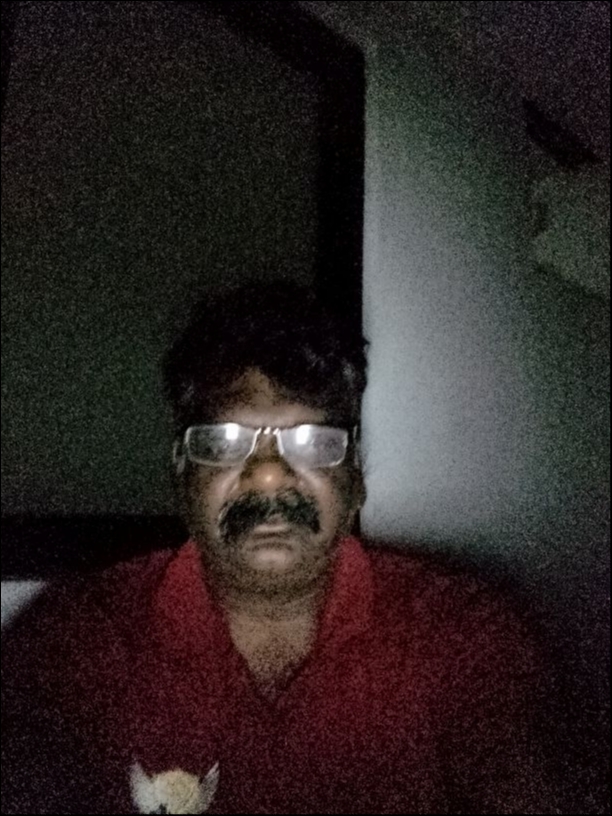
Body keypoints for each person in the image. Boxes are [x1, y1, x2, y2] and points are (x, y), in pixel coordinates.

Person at [2, 282, 562, 814]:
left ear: (356, 476)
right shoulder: (69, 647)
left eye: (313, 441)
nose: (268, 475)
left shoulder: (465, 641)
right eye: (224, 441)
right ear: (180, 474)